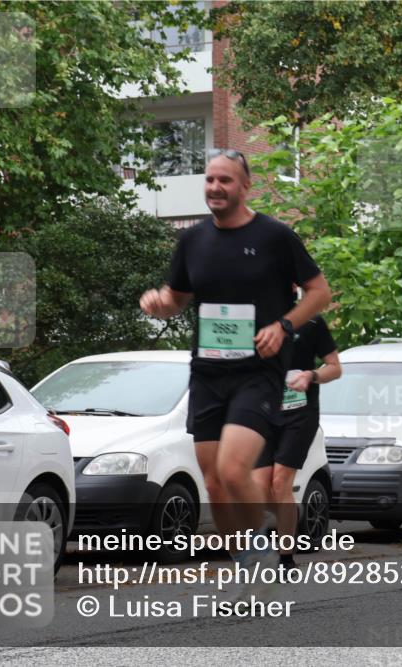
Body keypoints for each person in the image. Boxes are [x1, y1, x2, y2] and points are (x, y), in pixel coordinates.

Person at [140, 148, 331, 574]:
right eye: (210, 179)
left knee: (231, 469)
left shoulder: (275, 237)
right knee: (214, 485)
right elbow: (176, 298)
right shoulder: (192, 240)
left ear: (245, 186)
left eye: (225, 180)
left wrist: (283, 324)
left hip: (258, 375)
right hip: (207, 373)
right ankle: (250, 567)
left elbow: (320, 293)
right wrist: (158, 303)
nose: (215, 187)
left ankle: (262, 527)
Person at [252, 313, 341, 575]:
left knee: (280, 482)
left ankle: (285, 558)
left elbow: (335, 367)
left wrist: (311, 375)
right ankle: (285, 519)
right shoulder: (253, 317)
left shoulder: (312, 322)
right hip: (262, 412)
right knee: (259, 487)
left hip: (299, 414)